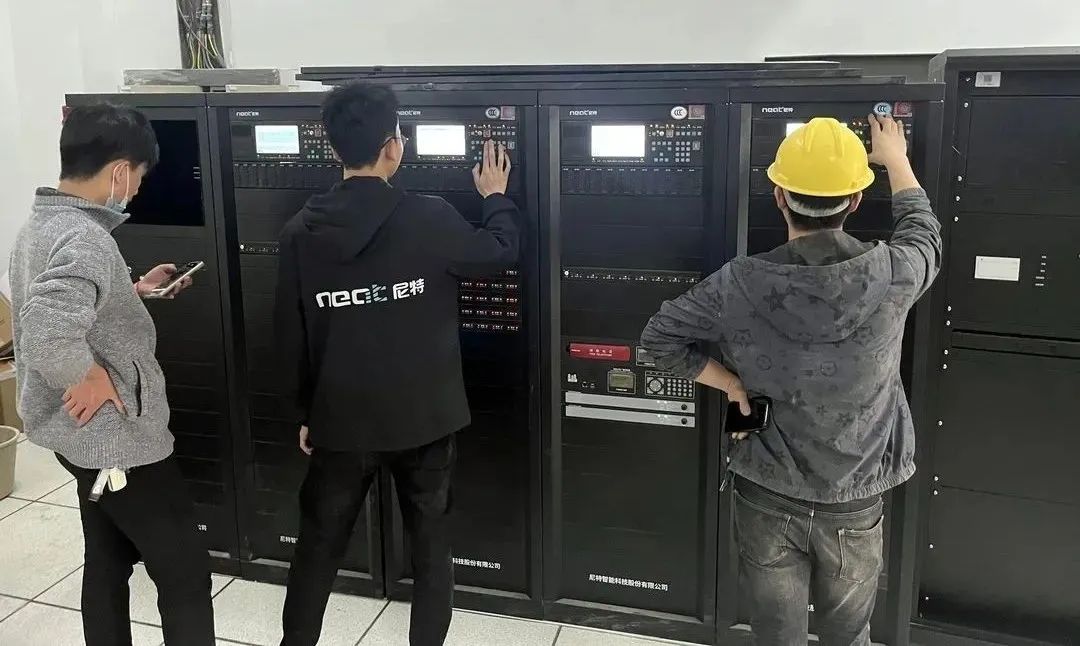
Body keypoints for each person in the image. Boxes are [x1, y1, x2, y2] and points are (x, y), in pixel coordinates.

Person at [640, 114, 941, 645]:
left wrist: (731, 384)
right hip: (854, 497)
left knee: (776, 637)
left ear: (779, 196)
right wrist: (896, 160)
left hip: (766, 491)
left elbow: (658, 341)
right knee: (848, 637)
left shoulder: (738, 283)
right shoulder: (895, 272)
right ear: (855, 201)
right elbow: (924, 233)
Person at [276, 83, 520, 646]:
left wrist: (305, 413)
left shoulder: (299, 232)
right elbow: (499, 252)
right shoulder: (428, 217)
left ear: (333, 148)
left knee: (318, 547)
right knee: (431, 547)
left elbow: (290, 335)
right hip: (425, 419)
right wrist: (495, 196)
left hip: (341, 420)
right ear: (394, 146)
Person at [8, 104, 213, 645]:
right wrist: (88, 376)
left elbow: (70, 300)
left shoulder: (41, 225)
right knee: (186, 571)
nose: (137, 189)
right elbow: (47, 330)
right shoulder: (86, 238)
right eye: (139, 176)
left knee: (107, 556)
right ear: (120, 171)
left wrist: (133, 290)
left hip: (72, 436)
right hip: (116, 442)